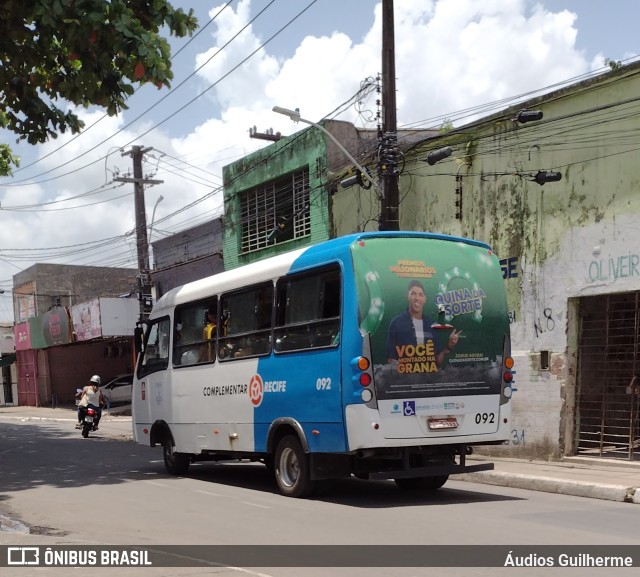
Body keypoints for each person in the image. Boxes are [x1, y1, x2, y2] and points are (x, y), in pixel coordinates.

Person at [386, 279, 461, 370]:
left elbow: (437, 361)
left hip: (427, 380)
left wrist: (450, 345)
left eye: (420, 295)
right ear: (408, 296)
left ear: (425, 299)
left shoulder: (431, 325)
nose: (417, 298)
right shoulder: (396, 323)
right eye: (413, 294)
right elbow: (391, 359)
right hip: (405, 380)